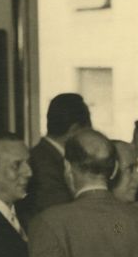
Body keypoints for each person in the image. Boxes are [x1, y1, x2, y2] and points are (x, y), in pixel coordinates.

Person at [16, 92, 90, 224]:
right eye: (87, 133)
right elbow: (62, 216)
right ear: (74, 130)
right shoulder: (44, 165)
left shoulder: (42, 156)